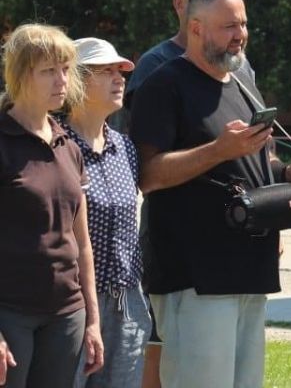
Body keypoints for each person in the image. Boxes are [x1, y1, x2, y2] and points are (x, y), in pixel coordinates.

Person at [130, 0, 291, 388]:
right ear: (195, 27)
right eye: (228, 26)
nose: (240, 36)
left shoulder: (241, 84)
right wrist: (217, 150)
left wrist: (288, 173)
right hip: (195, 275)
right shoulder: (163, 85)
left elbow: (254, 160)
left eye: (244, 24)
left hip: (250, 269)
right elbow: (148, 175)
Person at [124, 0, 230, 388]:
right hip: (179, 243)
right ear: (182, 5)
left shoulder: (237, 68)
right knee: (162, 346)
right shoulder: (157, 66)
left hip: (235, 249)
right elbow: (147, 162)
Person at [0, 24, 104, 387]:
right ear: (19, 75)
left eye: (65, 69)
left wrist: (92, 319)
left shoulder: (69, 146)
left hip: (66, 313)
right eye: (48, 70)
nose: (62, 80)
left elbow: (83, 244)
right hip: (9, 313)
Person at [64, 37, 152, 388]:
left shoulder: (125, 147)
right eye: (106, 71)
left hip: (128, 298)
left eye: (121, 71)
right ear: (76, 80)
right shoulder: (59, 147)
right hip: (76, 302)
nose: (120, 79)